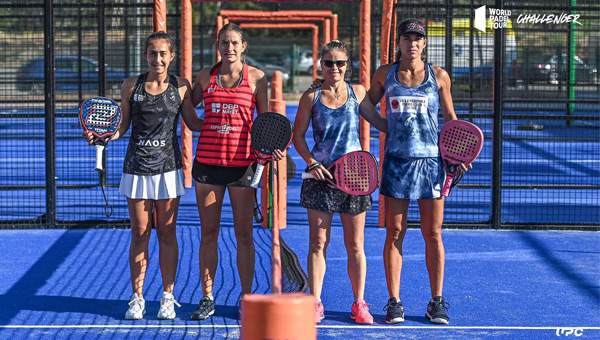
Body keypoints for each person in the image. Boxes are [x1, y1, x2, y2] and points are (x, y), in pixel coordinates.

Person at [83, 31, 204, 320]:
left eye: (163, 53)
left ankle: (167, 296)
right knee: (140, 233)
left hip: (169, 170)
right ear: (146, 55)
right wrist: (104, 137)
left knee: (167, 232)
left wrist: (227, 122)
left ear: (172, 56)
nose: (158, 58)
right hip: (136, 169)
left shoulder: (182, 86)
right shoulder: (130, 86)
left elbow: (194, 122)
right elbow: (122, 126)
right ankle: (137, 298)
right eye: (153, 53)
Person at [359, 18, 470, 325]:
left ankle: (437, 301)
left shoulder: (439, 76)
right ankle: (394, 302)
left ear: (424, 43)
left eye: (417, 38)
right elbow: (365, 104)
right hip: (396, 163)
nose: (412, 43)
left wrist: (458, 152)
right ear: (400, 43)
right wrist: (384, 125)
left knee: (432, 233)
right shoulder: (386, 74)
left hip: (431, 164)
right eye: (406, 38)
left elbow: (450, 118)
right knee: (394, 233)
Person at [189, 23, 285, 320]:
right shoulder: (205, 76)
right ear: (217, 45)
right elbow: (187, 105)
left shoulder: (257, 78)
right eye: (223, 42)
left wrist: (271, 149)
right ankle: (207, 297)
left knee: (244, 234)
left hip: (242, 166)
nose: (228, 48)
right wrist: (199, 126)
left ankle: (246, 298)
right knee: (209, 233)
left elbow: (267, 123)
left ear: (244, 47)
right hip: (207, 166)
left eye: (234, 43)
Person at [293, 40, 374, 325]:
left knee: (355, 244)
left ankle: (359, 303)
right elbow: (298, 135)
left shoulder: (359, 92)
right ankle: (315, 301)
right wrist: (311, 163)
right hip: (321, 178)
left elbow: (379, 119)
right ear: (321, 66)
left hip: (355, 177)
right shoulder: (311, 97)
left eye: (340, 62)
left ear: (347, 65)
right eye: (329, 63)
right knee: (318, 242)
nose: (335, 67)